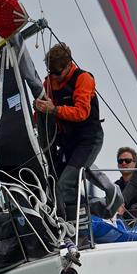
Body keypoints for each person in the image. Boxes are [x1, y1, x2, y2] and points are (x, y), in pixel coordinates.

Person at [33, 43, 103, 222]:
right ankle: (63, 224)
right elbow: (42, 113)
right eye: (51, 72)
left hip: (88, 140)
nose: (54, 77)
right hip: (67, 142)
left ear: (68, 65)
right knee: (53, 184)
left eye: (57, 72)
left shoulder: (83, 78)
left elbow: (82, 112)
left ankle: (76, 230)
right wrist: (38, 111)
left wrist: (54, 110)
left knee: (66, 184)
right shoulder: (49, 82)